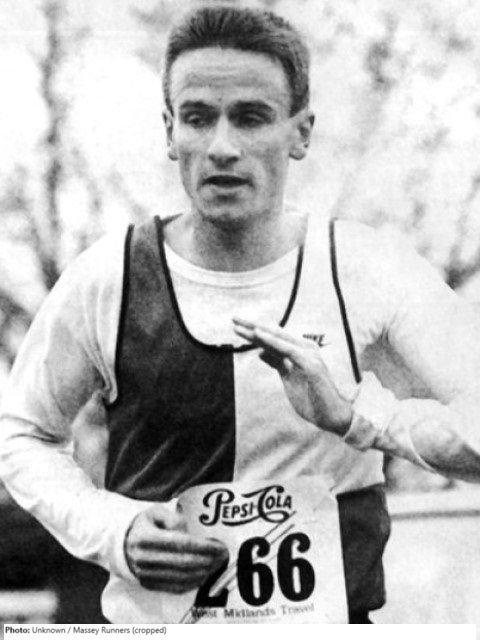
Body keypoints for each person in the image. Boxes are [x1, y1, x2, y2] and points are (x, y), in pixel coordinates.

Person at [1, 4, 480, 626]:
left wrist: (360, 417)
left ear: (300, 133)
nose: (221, 147)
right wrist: (114, 529)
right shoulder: (107, 278)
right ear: (170, 132)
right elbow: (21, 435)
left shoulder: (368, 269)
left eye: (251, 118)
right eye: (198, 118)